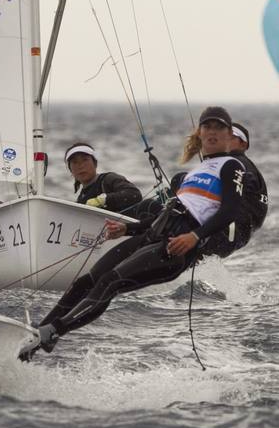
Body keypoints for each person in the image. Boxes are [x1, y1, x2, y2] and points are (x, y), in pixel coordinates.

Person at [25, 107, 245, 357]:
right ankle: (40, 329)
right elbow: (166, 214)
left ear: (230, 136)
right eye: (208, 127)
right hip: (154, 235)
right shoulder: (196, 172)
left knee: (110, 282)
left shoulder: (231, 166)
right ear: (199, 134)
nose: (213, 132)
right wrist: (127, 228)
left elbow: (230, 212)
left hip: (175, 246)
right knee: (87, 281)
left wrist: (194, 237)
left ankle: (55, 331)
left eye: (219, 128)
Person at [202, 121, 269, 256]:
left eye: (230, 137)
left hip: (231, 229)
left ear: (243, 144)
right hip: (238, 233)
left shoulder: (236, 163)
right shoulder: (233, 164)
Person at [65, 141, 142, 213]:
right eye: (75, 162)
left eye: (85, 160)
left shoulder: (109, 180)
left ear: (95, 163)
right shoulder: (81, 200)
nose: (80, 166)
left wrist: (103, 200)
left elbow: (135, 195)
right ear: (70, 170)